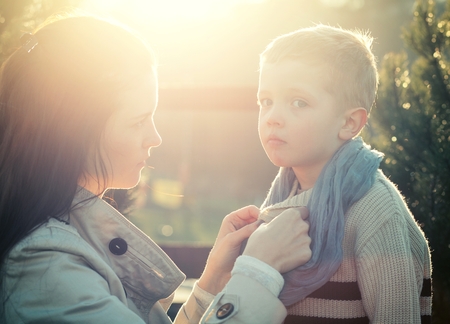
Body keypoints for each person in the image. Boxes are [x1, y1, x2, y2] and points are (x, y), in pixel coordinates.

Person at [0, 15, 312, 323]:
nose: (155, 137)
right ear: (74, 131)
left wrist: (212, 280)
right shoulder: (47, 271)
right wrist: (259, 272)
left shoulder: (68, 234)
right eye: (138, 121)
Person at [253, 24, 432, 323]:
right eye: (266, 101)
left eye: (299, 102)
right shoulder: (283, 196)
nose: (273, 118)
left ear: (350, 122)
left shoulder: (374, 210)